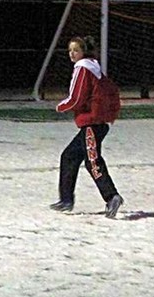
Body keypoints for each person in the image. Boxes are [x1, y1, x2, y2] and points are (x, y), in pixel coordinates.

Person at [50, 35, 124, 218]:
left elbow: (76, 97)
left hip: (92, 123)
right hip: (95, 122)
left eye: (76, 50)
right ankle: (66, 200)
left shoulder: (82, 68)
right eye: (69, 50)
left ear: (84, 52)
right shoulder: (94, 68)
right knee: (69, 156)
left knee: (93, 161)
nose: (72, 54)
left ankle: (112, 196)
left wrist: (60, 107)